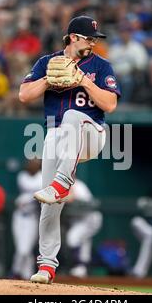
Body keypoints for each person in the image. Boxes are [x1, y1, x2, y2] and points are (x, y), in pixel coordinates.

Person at [18, 15, 120, 284]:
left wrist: (85, 82)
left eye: (96, 39)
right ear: (74, 37)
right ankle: (47, 266)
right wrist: (48, 82)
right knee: (49, 204)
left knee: (74, 116)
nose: (94, 43)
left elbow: (110, 105)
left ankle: (63, 182)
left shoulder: (101, 65)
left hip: (91, 131)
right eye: (90, 39)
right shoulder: (47, 62)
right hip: (56, 135)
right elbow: (24, 95)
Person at [11, 159, 42, 280]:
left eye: (35, 163)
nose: (32, 165)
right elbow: (30, 192)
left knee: (24, 250)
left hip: (32, 217)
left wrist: (26, 199)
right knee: (22, 248)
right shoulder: (22, 176)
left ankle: (15, 271)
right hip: (19, 217)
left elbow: (36, 195)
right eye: (30, 162)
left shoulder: (42, 177)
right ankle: (27, 275)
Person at [65, 179, 102, 278]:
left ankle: (80, 266)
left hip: (89, 218)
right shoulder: (65, 184)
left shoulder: (78, 186)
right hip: (79, 219)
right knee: (83, 242)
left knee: (73, 238)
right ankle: (82, 268)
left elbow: (72, 198)